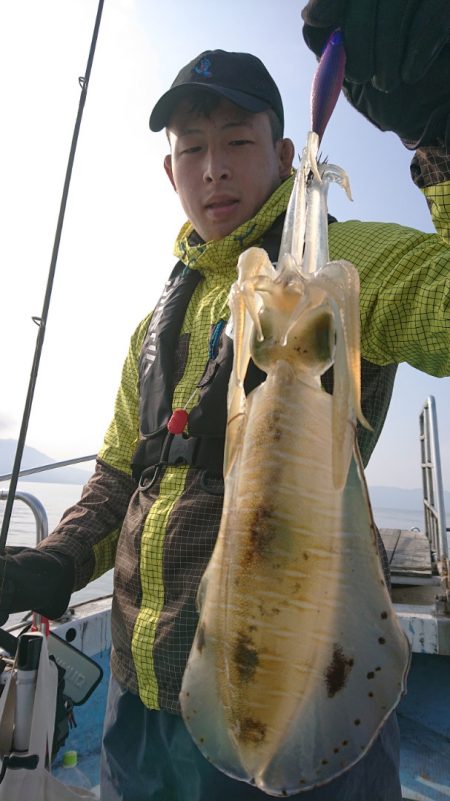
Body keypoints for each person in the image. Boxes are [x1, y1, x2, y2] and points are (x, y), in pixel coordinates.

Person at [1, 2, 449, 799]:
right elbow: (118, 474)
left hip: (298, 677)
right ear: (168, 172)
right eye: (192, 150)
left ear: (283, 153)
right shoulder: (155, 322)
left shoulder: (342, 267)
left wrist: (440, 133)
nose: (214, 168)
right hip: (142, 716)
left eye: (237, 142)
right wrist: (59, 559)